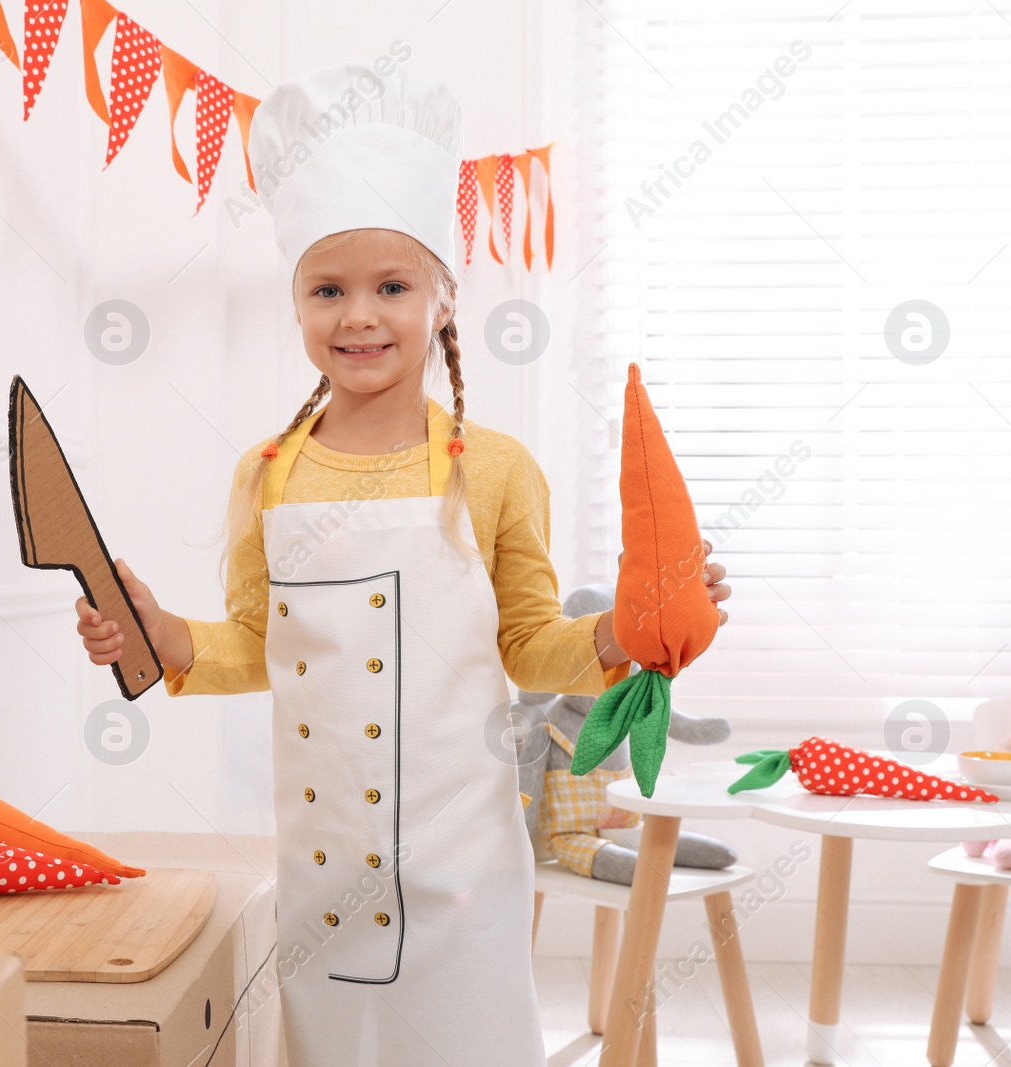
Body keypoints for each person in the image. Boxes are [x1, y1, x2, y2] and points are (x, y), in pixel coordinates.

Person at [74, 62, 731, 1066]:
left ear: (443, 298)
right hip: (323, 871)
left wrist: (619, 633)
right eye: (327, 289)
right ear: (296, 304)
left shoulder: (501, 470)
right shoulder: (267, 474)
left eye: (391, 285)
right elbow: (255, 646)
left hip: (463, 861)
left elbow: (530, 645)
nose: (358, 315)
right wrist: (163, 636)